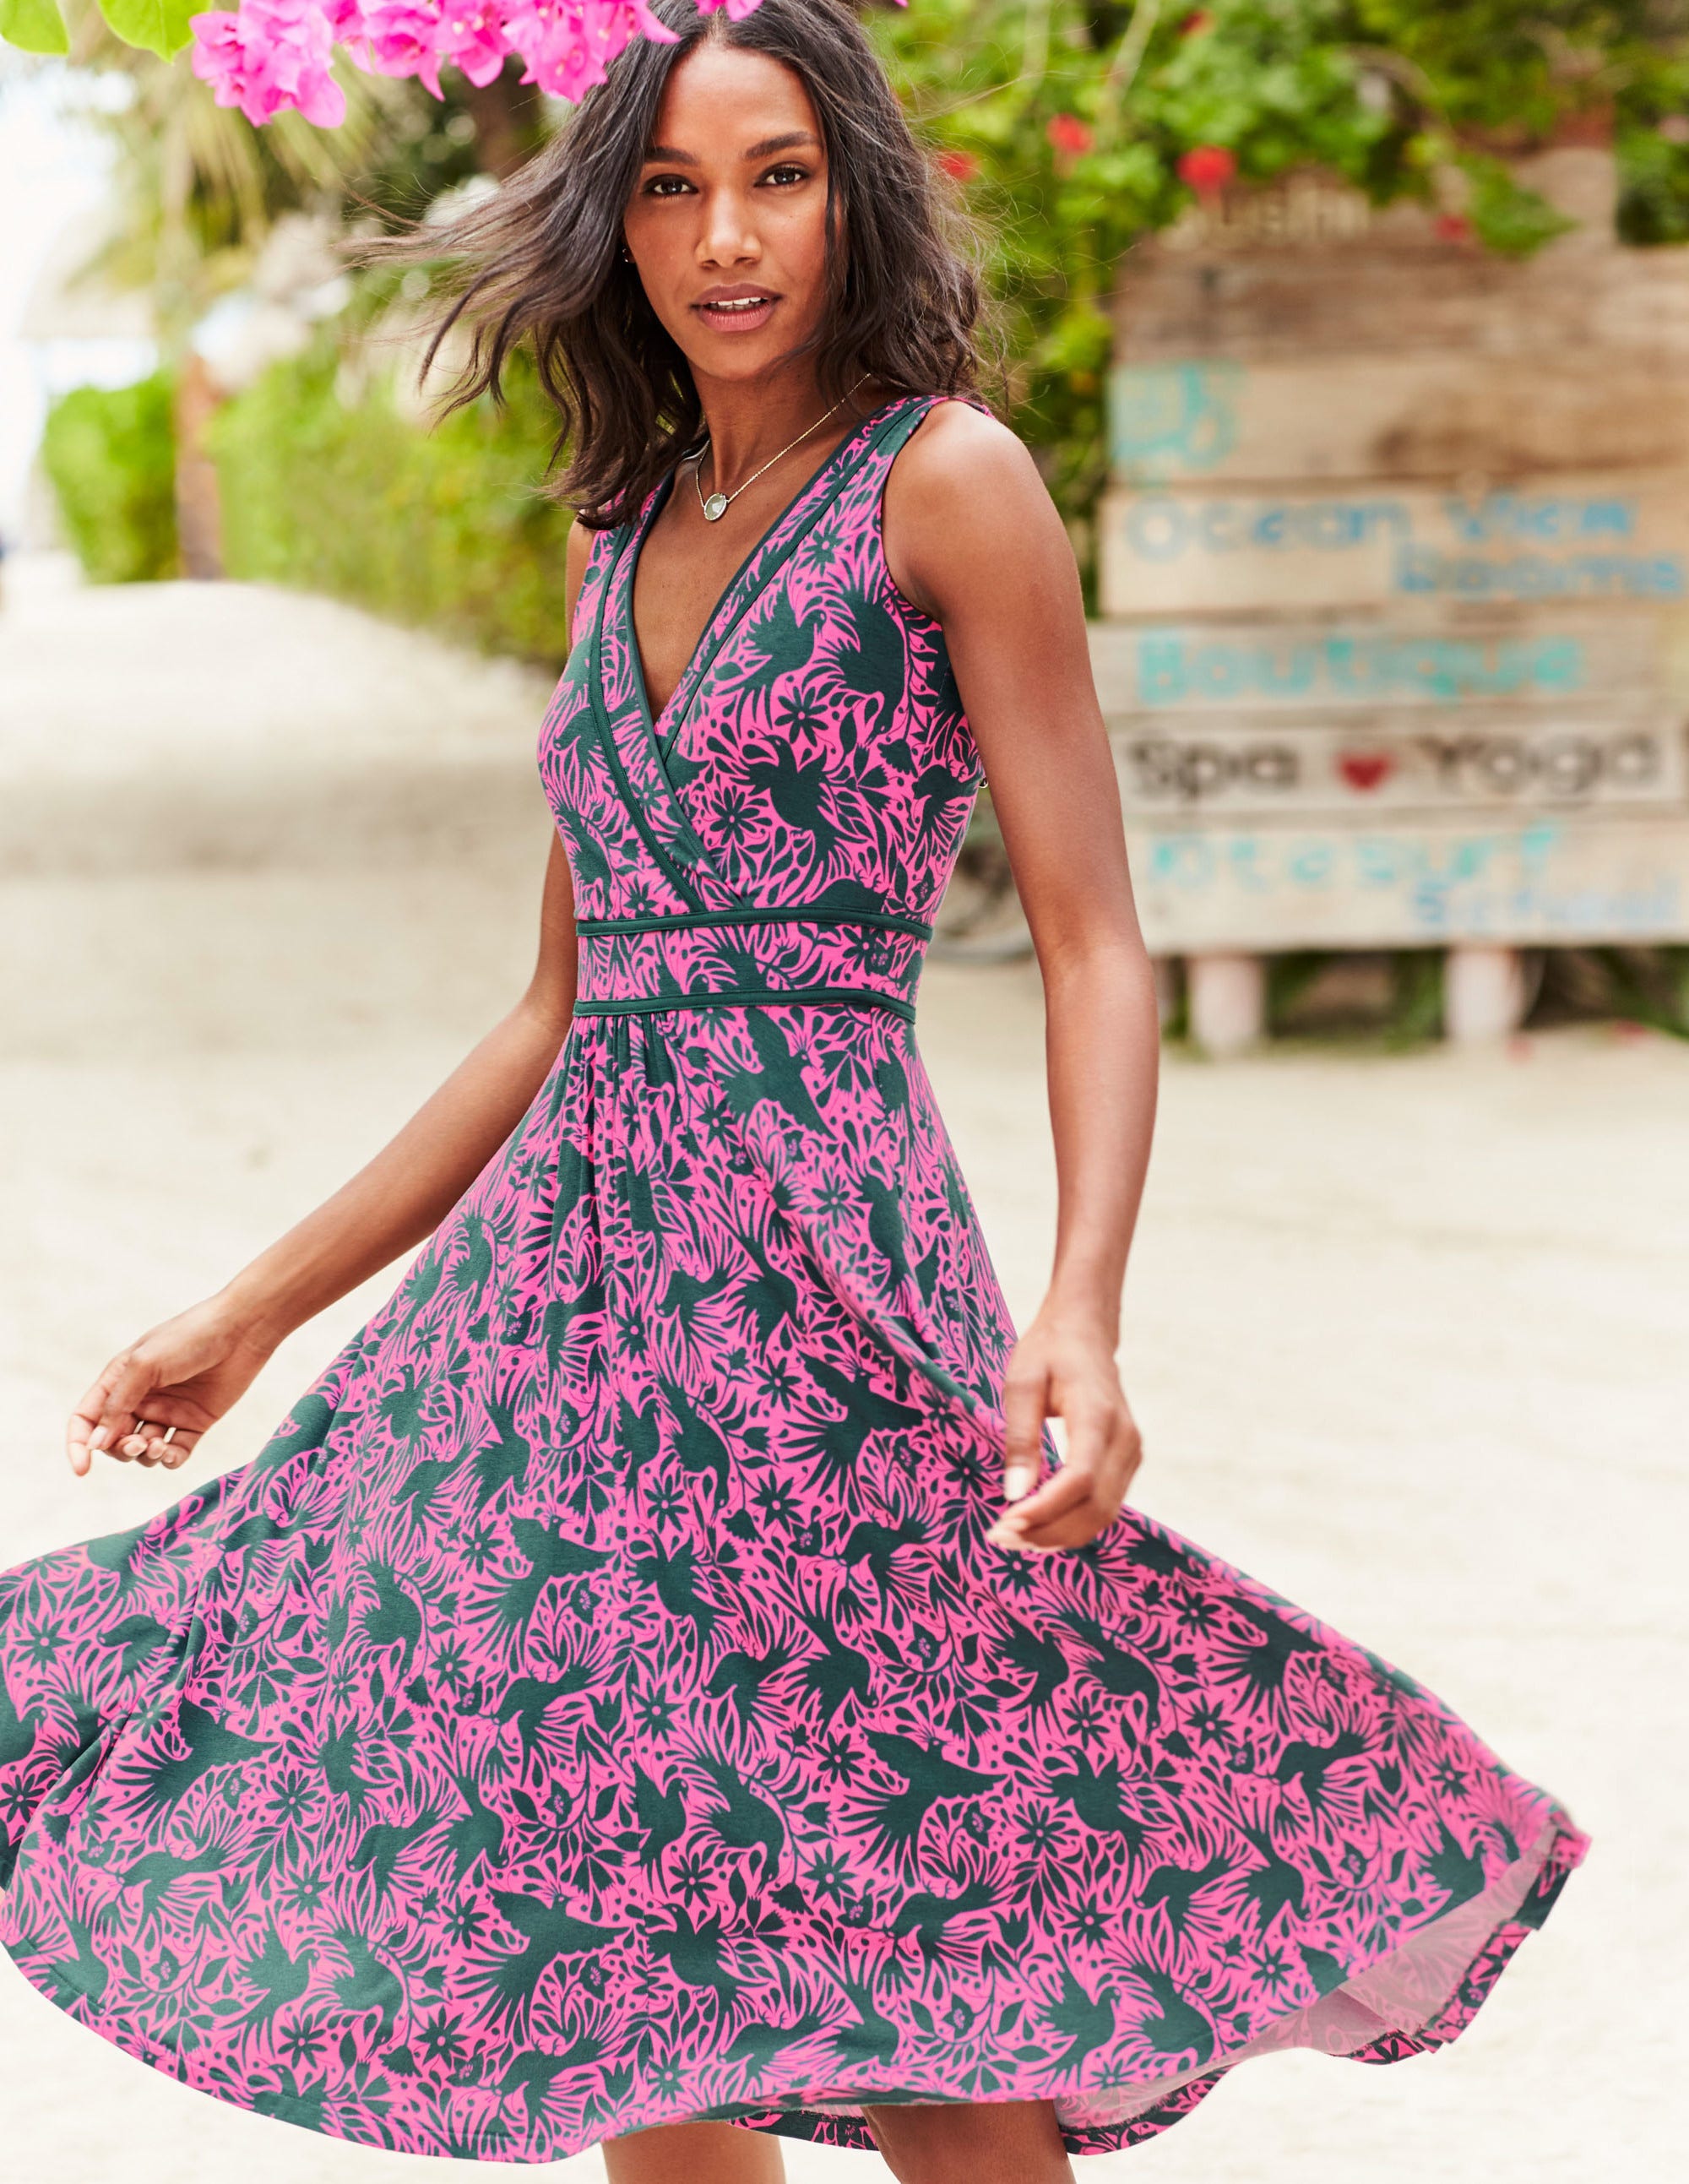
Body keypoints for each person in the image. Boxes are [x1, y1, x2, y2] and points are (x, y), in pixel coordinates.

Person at [0, 4, 1588, 2180]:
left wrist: (1083, 1306)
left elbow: (1098, 938)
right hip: (561, 1331)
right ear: (614, 228)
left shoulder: (950, 480)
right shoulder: (613, 525)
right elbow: (553, 1010)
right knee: (626, 1952)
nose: (724, 236)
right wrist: (258, 1308)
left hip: (815, 1292)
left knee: (910, 1935)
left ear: (853, 194)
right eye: (669, 187)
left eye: (776, 177)